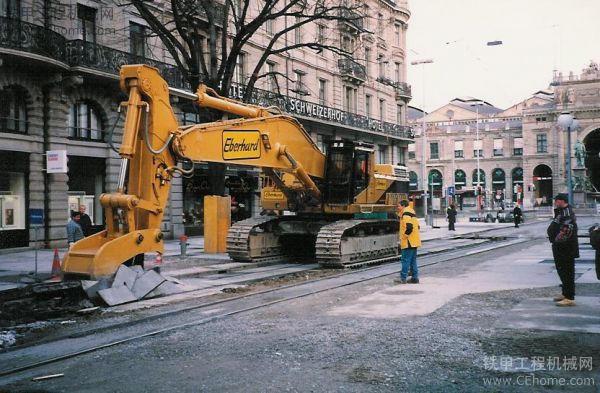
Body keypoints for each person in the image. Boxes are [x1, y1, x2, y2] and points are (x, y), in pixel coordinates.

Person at [547, 193, 579, 307]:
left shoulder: (567, 213)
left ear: (562, 201)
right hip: (561, 247)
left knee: (567, 271)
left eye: (557, 200)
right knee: (562, 270)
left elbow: (565, 231)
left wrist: (556, 241)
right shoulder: (562, 212)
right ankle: (565, 294)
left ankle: (570, 297)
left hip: (565, 248)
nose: (555, 202)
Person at [395, 199, 421, 284]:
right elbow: (418, 226)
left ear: (403, 206)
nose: (397, 208)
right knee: (413, 260)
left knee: (405, 260)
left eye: (398, 206)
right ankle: (415, 278)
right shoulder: (412, 213)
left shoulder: (405, 214)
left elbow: (409, 227)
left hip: (408, 241)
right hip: (415, 240)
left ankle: (403, 278)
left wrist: (404, 237)